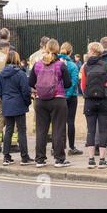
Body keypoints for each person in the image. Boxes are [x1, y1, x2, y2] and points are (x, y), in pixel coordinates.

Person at [29, 39, 72, 168]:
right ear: (58, 49)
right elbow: (68, 83)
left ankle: (40, 159)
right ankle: (59, 159)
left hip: (40, 101)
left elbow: (30, 83)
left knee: (41, 130)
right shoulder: (60, 64)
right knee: (58, 130)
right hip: (58, 100)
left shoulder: (37, 64)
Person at [80, 42, 107, 169]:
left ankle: (91, 160)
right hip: (104, 101)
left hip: (89, 101)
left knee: (90, 130)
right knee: (102, 130)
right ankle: (102, 160)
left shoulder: (85, 66)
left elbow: (83, 86)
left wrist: (87, 94)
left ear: (92, 51)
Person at [0, 51, 34, 166]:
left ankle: (6, 157)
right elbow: (26, 91)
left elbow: (0, 92)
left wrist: (5, 101)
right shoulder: (20, 74)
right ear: (17, 59)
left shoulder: (1, 74)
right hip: (18, 104)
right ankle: (24, 157)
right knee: (21, 131)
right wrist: (27, 103)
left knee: (8, 130)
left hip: (7, 104)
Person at [0, 40, 19, 153]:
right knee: (12, 117)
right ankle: (12, 143)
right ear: (6, 48)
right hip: (7, 92)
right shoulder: (7, 58)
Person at [58, 42, 83, 156]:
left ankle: (60, 146)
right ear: (71, 52)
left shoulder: (56, 63)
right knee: (70, 121)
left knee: (59, 122)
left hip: (59, 95)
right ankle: (72, 147)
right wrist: (68, 95)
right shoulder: (73, 65)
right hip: (71, 96)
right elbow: (74, 83)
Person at [29, 37, 52, 142]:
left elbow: (31, 74)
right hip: (50, 87)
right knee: (51, 111)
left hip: (38, 88)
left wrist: (32, 89)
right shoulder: (50, 55)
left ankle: (39, 132)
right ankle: (50, 133)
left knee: (38, 112)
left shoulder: (33, 56)